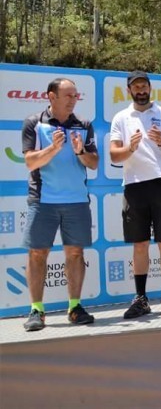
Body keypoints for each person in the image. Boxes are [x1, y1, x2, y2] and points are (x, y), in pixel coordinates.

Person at [20, 78, 99, 331]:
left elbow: (94, 163)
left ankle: (75, 307)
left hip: (76, 201)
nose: (73, 100)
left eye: (75, 96)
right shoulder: (34, 122)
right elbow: (31, 162)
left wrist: (79, 152)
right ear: (51, 97)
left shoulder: (84, 125)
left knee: (75, 253)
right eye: (68, 95)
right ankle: (37, 310)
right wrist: (53, 148)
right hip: (43, 200)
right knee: (37, 253)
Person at [109, 71, 161, 318]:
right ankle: (141, 299)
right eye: (135, 86)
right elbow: (113, 156)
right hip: (134, 185)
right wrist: (129, 148)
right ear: (129, 90)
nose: (140, 90)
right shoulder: (120, 118)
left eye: (144, 85)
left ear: (150, 88)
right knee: (139, 244)